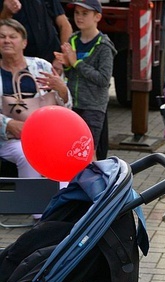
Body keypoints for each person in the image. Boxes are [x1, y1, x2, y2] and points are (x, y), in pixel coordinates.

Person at [0, 18, 70, 179]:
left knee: (67, 152)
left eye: (12, 36)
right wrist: (9, 124)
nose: (7, 41)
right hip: (9, 139)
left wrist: (63, 90)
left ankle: (64, 200)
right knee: (26, 155)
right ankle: (31, 201)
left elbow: (66, 108)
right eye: (2, 37)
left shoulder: (41, 66)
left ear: (24, 43)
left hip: (46, 135)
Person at [54, 0, 114, 160]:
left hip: (93, 107)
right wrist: (67, 66)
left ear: (97, 17)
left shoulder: (104, 46)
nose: (79, 17)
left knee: (87, 153)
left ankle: (92, 185)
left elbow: (103, 79)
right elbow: (72, 74)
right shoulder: (73, 40)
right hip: (72, 104)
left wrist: (76, 63)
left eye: (85, 13)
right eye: (77, 13)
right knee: (69, 150)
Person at [0, 0, 72, 64]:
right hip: (16, 63)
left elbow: (65, 26)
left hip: (51, 60)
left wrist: (61, 58)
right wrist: (6, 12)